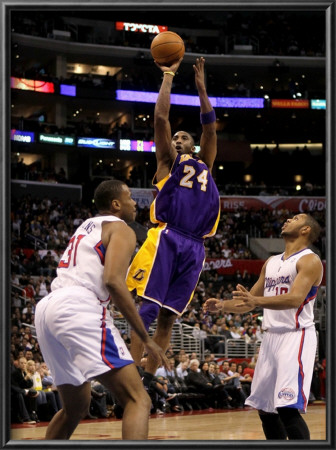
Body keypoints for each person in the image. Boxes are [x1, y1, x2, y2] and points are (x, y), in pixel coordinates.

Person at [34, 180, 168, 440]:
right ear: (116, 204)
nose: (134, 203)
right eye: (129, 197)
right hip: (79, 307)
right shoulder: (121, 228)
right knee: (138, 399)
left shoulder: (86, 227)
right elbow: (113, 282)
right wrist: (146, 338)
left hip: (48, 309)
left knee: (75, 407)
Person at [126, 56, 220, 390]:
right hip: (168, 236)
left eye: (183, 137)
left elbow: (210, 127)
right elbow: (160, 117)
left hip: (195, 245)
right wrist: (168, 74)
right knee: (148, 307)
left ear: (193, 145)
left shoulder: (205, 162)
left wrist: (202, 91)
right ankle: (131, 375)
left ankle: (150, 379)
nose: (177, 140)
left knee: (168, 315)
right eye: (175, 138)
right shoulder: (167, 162)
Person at [204, 213, 323, 440]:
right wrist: (221, 305)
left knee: (288, 408)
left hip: (295, 336)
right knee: (266, 410)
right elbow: (248, 301)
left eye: (296, 218)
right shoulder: (271, 262)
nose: (288, 220)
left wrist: (256, 301)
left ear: (306, 230)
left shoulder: (309, 260)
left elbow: (294, 298)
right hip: (270, 338)